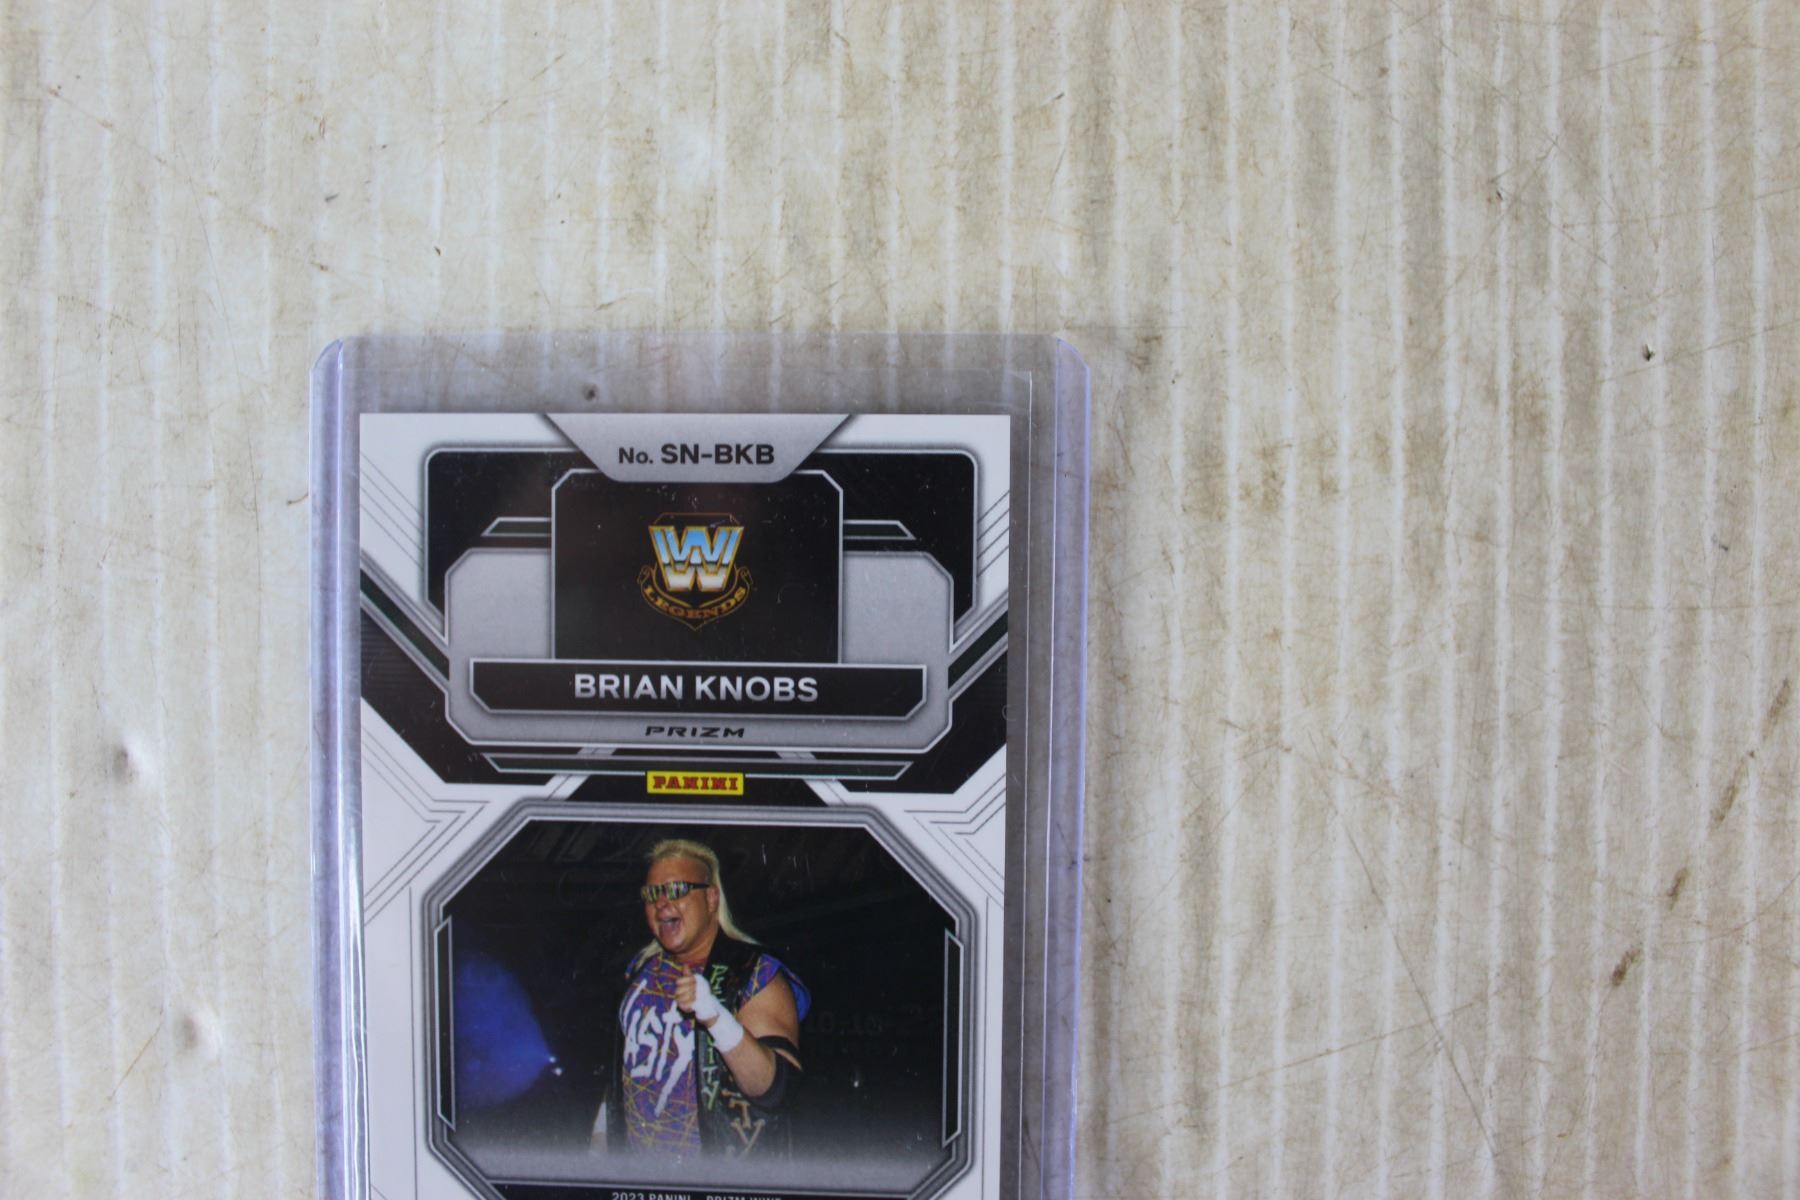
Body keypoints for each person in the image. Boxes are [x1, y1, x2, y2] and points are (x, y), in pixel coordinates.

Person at [593, 838, 810, 1163]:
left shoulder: (755, 972)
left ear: (710, 899)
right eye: (652, 894)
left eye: (677, 889)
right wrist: (598, 1143)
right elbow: (624, 1073)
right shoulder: (640, 971)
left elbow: (778, 1089)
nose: (662, 903)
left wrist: (715, 1016)